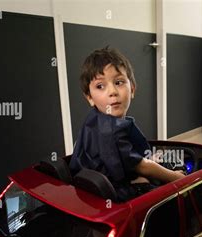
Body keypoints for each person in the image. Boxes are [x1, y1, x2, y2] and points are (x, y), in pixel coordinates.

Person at [70, 47, 185, 201]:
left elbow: (117, 157)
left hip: (95, 186)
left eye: (119, 82)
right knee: (162, 188)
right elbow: (142, 166)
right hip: (113, 195)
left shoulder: (94, 119)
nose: (112, 91)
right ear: (89, 97)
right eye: (100, 86)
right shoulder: (112, 130)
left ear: (132, 89)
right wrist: (175, 177)